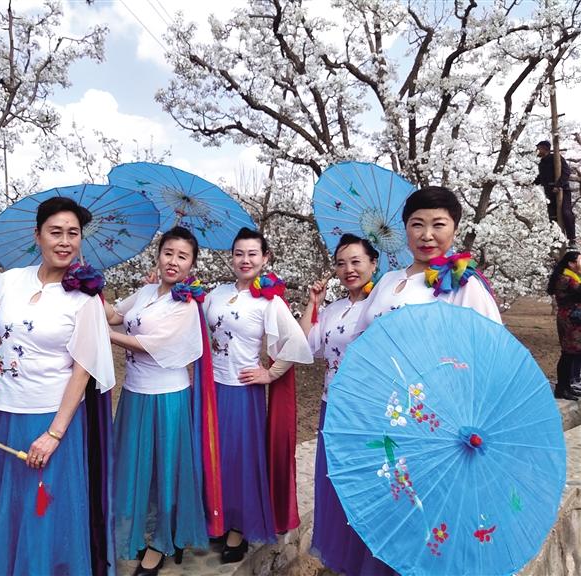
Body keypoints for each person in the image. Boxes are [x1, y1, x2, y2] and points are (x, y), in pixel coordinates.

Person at [0, 196, 116, 575]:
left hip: (52, 416)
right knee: (15, 499)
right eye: (56, 232)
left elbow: (82, 370)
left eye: (73, 233)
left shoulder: (84, 298)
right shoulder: (9, 281)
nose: (65, 241)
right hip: (7, 410)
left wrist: (54, 434)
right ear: (37, 235)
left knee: (47, 506)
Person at [106, 226, 220, 576]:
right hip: (135, 393)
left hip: (167, 397)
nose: (173, 261)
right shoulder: (145, 292)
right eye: (168, 252)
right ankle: (142, 531)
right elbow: (115, 315)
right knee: (134, 466)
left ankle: (162, 542)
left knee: (166, 468)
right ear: (158, 255)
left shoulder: (185, 305)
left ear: (192, 265)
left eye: (182, 256)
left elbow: (154, 344)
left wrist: (107, 336)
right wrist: (91, 291)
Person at [203, 227, 313, 563]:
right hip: (211, 387)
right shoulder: (216, 294)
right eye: (239, 253)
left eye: (252, 253)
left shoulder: (269, 300)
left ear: (265, 258)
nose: (245, 260)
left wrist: (270, 373)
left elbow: (296, 342)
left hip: (243, 392)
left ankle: (238, 527)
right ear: (231, 257)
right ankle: (216, 518)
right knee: (213, 456)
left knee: (240, 460)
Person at [299, 234, 395, 575]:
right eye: (341, 263)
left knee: (367, 487)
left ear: (373, 263)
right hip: (333, 408)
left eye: (356, 261)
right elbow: (306, 347)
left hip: (368, 412)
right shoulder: (334, 309)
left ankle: (369, 561)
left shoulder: (383, 307)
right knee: (336, 484)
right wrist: (313, 304)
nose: (348, 269)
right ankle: (344, 560)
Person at [355, 186, 501, 333]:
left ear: (455, 230)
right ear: (406, 228)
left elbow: (489, 340)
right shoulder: (386, 280)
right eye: (417, 225)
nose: (427, 235)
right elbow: (359, 336)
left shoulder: (462, 283)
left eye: (438, 225)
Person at [547, 251, 581, 401]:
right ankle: (561, 389)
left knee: (572, 354)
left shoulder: (572, 277)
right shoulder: (565, 279)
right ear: (571, 264)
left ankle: (566, 387)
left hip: (574, 318)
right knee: (568, 354)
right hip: (569, 320)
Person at [534, 139, 576, 245]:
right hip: (549, 194)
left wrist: (559, 185)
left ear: (544, 149)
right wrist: (528, 182)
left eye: (538, 149)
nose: (537, 151)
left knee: (566, 213)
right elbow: (541, 178)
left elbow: (566, 172)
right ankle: (557, 240)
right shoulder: (541, 164)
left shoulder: (556, 158)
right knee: (552, 217)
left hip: (562, 190)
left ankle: (572, 239)